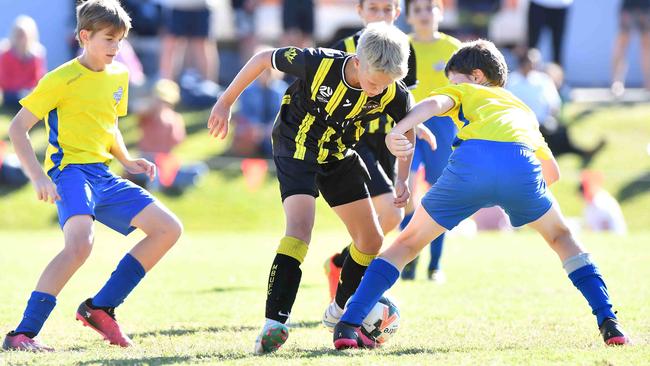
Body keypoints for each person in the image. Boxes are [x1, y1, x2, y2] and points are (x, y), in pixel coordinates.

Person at [332, 39, 629, 349]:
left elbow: (434, 105)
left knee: (407, 244)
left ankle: (348, 325)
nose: (451, 87)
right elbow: (552, 171)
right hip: (521, 167)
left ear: (475, 76)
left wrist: (400, 127)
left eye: (453, 81)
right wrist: (517, 191)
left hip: (470, 165)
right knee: (562, 238)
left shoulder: (468, 90)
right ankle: (610, 321)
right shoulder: (522, 109)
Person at [207, 22, 414, 354]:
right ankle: (275, 322)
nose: (377, 90)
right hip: (296, 145)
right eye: (373, 82)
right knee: (300, 228)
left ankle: (340, 309)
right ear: (357, 62)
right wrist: (225, 101)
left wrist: (402, 178)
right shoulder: (318, 63)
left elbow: (408, 128)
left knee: (372, 238)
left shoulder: (392, 90)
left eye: (386, 84)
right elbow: (262, 58)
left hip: (338, 154)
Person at [2, 0, 183, 352]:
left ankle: (100, 308)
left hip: (103, 174)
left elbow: (108, 125)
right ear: (85, 36)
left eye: (120, 41)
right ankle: (23, 333)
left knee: (169, 229)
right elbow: (17, 128)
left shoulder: (119, 75)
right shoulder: (60, 78)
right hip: (70, 173)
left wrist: (128, 160)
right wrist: (39, 176)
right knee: (80, 244)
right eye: (109, 39)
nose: (117, 48)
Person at [323, 0, 424, 302]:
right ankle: (352, 277)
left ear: (397, 12)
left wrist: (417, 123)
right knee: (392, 211)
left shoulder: (404, 47)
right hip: (355, 140)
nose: (380, 15)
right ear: (360, 11)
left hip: (387, 143)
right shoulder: (345, 47)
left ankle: (342, 264)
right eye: (374, 9)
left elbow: (406, 101)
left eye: (387, 9)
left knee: (393, 216)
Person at [399, 0, 462, 282]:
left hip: (443, 127)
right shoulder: (401, 45)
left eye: (430, 7)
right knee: (408, 195)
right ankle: (407, 260)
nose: (425, 14)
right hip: (410, 123)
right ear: (408, 16)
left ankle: (435, 264)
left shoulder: (454, 49)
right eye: (418, 9)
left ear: (441, 11)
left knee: (439, 197)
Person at [507, 49, 605, 166]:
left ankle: (580, 152)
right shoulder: (512, 81)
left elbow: (554, 102)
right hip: (522, 126)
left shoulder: (543, 79)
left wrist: (551, 116)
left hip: (544, 123)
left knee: (560, 133)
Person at [135, 78, 208, 192]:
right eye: (159, 100)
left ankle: (169, 183)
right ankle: (159, 184)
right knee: (149, 173)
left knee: (197, 169)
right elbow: (138, 108)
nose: (161, 104)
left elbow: (178, 140)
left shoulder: (175, 118)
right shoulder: (148, 114)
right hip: (147, 161)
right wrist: (154, 109)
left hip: (165, 162)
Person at [231, 59, 288, 158]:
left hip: (274, 130)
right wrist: (257, 128)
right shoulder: (247, 90)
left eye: (267, 71)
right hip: (253, 130)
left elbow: (284, 114)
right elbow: (245, 114)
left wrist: (271, 128)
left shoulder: (282, 90)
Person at [158, 0, 219, 83]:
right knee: (170, 44)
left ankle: (208, 86)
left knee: (202, 45)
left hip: (202, 5)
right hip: (176, 6)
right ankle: (166, 85)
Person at [0, 15, 46, 110]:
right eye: (18, 35)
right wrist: (19, 89)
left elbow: (38, 78)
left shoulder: (37, 54)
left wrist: (26, 89)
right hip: (11, 94)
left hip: (29, 92)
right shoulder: (5, 53)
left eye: (23, 35)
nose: (20, 39)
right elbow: (3, 80)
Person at [611, 0, 650, 96]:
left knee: (647, 45)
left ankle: (648, 83)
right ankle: (617, 83)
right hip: (628, 5)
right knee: (622, 43)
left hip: (645, 6)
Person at [527, 0, 573, 65]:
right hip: (538, 4)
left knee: (557, 52)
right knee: (532, 49)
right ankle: (528, 73)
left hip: (561, 5)